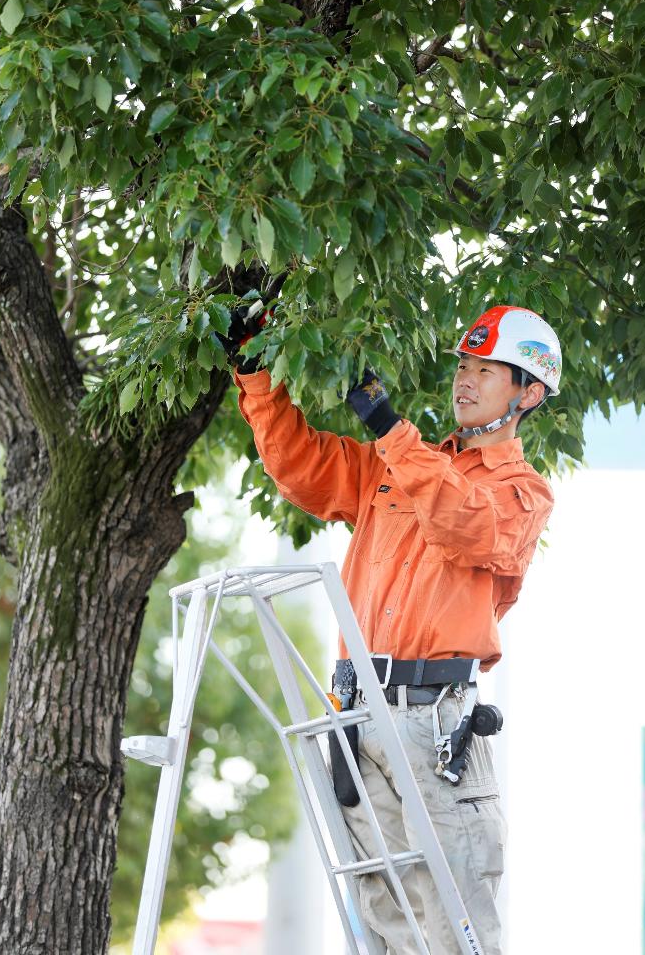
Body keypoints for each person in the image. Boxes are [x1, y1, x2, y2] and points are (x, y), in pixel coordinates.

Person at [227, 303, 561, 954]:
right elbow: (300, 466)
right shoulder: (395, 468)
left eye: (486, 370)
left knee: (453, 918)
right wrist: (255, 368)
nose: (465, 379)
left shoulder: (521, 491)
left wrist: (389, 426)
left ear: (530, 392)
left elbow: (464, 524)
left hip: (433, 722)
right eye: (463, 365)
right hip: (355, 712)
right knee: (380, 912)